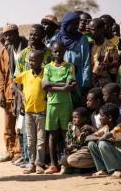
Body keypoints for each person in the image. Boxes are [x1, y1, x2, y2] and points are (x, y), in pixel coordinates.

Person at [42, 41, 76, 174]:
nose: (58, 54)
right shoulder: (47, 67)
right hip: (52, 104)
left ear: (64, 52)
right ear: (52, 52)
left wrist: (52, 85)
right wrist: (63, 87)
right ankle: (53, 164)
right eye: (55, 51)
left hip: (66, 104)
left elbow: (71, 85)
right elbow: (44, 85)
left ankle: (66, 164)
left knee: (66, 134)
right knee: (52, 135)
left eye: (61, 51)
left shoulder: (69, 66)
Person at [0, 23, 27, 162]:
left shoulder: (26, 48)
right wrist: (1, 93)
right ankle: (9, 150)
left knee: (22, 123)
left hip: (25, 91)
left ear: (17, 33)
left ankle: (19, 152)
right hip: (9, 92)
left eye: (10, 34)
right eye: (5, 35)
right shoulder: (4, 51)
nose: (7, 37)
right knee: (9, 123)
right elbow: (1, 75)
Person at [13, 51, 47, 174]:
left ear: (41, 61)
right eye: (30, 61)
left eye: (34, 60)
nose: (32, 63)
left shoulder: (45, 73)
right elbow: (14, 83)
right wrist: (21, 94)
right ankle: (31, 163)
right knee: (30, 140)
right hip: (28, 113)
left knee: (41, 140)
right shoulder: (26, 74)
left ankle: (39, 164)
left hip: (42, 112)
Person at [88, 103, 121, 179]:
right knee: (91, 144)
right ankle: (103, 170)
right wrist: (100, 137)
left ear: (110, 118)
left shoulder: (119, 128)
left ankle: (116, 170)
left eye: (102, 116)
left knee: (102, 144)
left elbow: (112, 133)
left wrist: (103, 137)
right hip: (115, 159)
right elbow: (88, 137)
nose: (100, 118)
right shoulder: (105, 128)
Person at [52, 11, 91, 97]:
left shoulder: (82, 39)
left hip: (78, 78)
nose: (76, 27)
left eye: (77, 24)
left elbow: (86, 62)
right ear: (66, 24)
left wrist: (86, 83)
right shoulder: (56, 38)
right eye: (73, 24)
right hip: (58, 78)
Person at [60, 107, 95, 174]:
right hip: (74, 153)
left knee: (71, 160)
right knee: (63, 160)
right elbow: (67, 142)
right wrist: (69, 147)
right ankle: (78, 169)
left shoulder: (87, 130)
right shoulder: (71, 127)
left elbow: (88, 146)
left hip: (85, 154)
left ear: (84, 118)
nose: (74, 119)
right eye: (73, 117)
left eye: (76, 117)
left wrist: (78, 148)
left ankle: (89, 168)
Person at [89, 18, 119, 87]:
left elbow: (113, 71)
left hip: (104, 84)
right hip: (89, 82)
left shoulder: (111, 47)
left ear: (101, 30)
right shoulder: (88, 45)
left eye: (92, 30)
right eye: (89, 29)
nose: (90, 32)